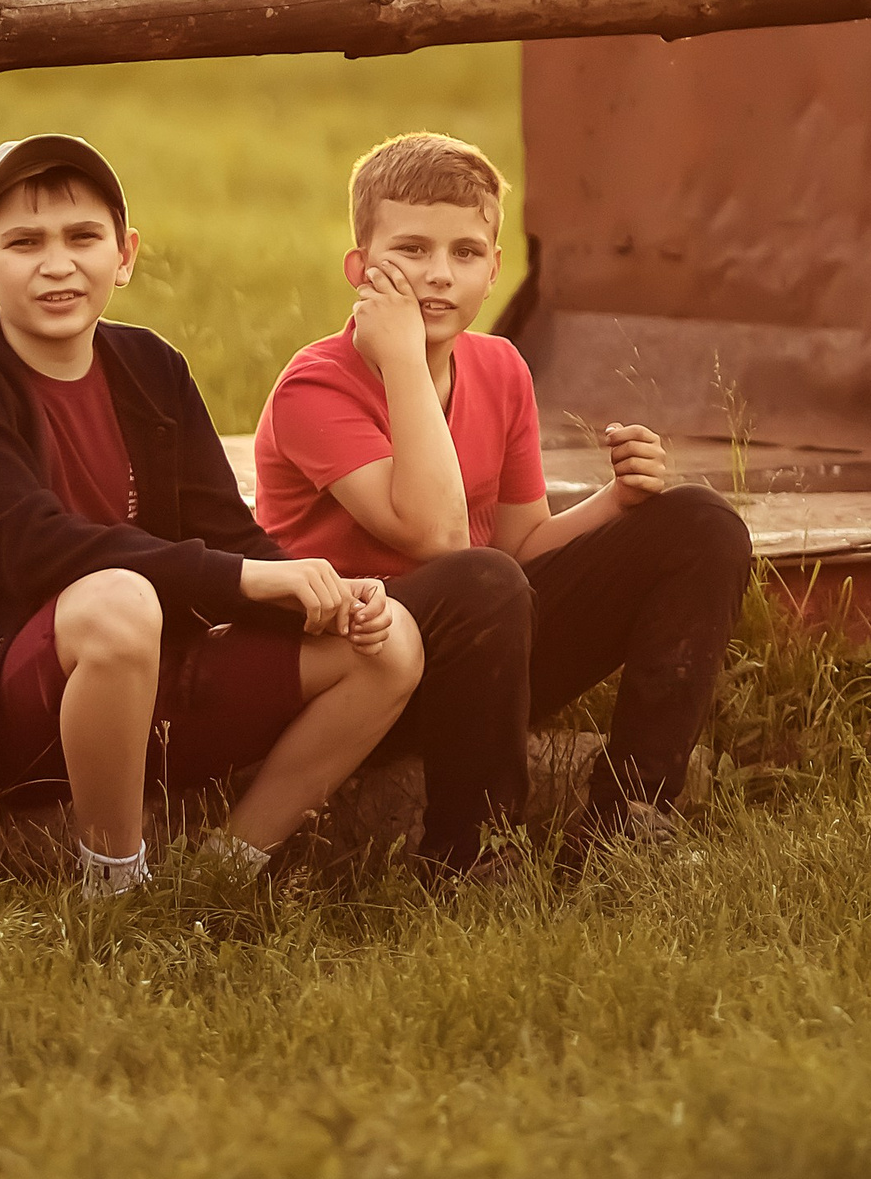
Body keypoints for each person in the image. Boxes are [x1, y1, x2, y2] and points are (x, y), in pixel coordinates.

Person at [0, 130, 420, 889]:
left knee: (390, 638)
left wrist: (315, 592)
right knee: (118, 601)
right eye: (24, 242)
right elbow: (29, 546)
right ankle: (115, 882)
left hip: (162, 677)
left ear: (124, 255)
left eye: (83, 237)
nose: (57, 263)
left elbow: (226, 533)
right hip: (2, 711)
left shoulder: (151, 367)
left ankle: (226, 869)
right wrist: (240, 582)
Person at [252, 131, 752, 871]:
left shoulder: (500, 367)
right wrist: (400, 357)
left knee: (699, 524)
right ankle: (473, 855)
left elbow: (519, 548)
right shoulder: (314, 387)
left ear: (493, 270)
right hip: (359, 674)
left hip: (482, 649)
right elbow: (437, 537)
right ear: (360, 269)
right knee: (479, 579)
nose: (438, 276)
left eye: (464, 253)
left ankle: (629, 822)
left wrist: (617, 502)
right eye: (412, 251)